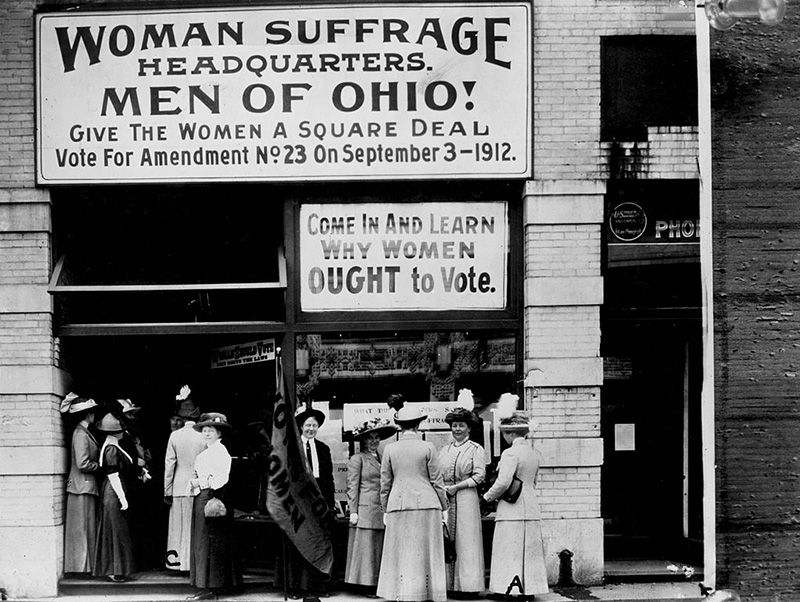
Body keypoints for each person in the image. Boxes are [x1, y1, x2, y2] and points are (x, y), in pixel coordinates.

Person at [377, 394, 448, 602]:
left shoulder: (390, 449)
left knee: (401, 550)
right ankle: (427, 593)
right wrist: (444, 507)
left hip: (399, 504)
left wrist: (385, 509)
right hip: (428, 503)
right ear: (418, 425)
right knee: (427, 550)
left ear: (399, 426)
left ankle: (402, 592)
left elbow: (385, 484)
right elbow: (437, 481)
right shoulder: (428, 447)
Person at [482, 409, 549, 599]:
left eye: (505, 433)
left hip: (512, 508)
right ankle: (528, 590)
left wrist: (486, 497)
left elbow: (503, 482)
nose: (504, 437)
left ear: (511, 433)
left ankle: (508, 590)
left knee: (509, 549)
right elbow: (533, 482)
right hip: (530, 506)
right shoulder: (534, 453)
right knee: (529, 551)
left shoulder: (510, 453)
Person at [276, 404, 334, 602]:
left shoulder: (324, 449)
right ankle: (295, 586)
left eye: (314, 425)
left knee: (318, 543)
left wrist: (330, 504)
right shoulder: (291, 450)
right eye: (308, 425)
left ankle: (316, 585)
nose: (311, 429)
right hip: (297, 503)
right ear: (301, 426)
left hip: (318, 503)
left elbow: (329, 479)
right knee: (298, 543)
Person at [187, 412, 241, 601]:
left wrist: (199, 482)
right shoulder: (205, 453)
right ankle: (205, 584)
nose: (207, 433)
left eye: (212, 430)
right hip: (202, 497)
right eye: (205, 430)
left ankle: (212, 587)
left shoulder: (220, 452)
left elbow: (219, 479)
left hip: (212, 498)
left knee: (209, 543)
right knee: (203, 541)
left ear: (220, 433)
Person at [344, 417, 397, 594]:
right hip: (365, 508)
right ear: (363, 440)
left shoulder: (383, 458)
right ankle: (365, 585)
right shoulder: (357, 459)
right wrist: (353, 511)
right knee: (366, 548)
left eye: (376, 438)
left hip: (381, 508)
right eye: (370, 438)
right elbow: (352, 486)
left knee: (377, 547)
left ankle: (376, 583)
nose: (374, 441)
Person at [438, 406, 486, 596]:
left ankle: (467, 587)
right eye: (454, 426)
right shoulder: (444, 450)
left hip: (466, 497)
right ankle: (449, 585)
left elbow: (480, 476)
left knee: (467, 541)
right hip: (447, 498)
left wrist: (457, 487)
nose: (457, 429)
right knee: (448, 539)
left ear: (469, 428)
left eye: (461, 426)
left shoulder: (476, 449)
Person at [164, 386, 205, 572]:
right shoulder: (203, 437)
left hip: (178, 487)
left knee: (177, 527)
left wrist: (167, 490)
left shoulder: (174, 436)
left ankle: (177, 563)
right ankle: (192, 563)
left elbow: (169, 466)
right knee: (193, 526)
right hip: (196, 486)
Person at [93, 412, 137, 582]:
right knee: (115, 530)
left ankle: (116, 569)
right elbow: (113, 475)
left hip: (113, 490)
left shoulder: (112, 444)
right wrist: (123, 498)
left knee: (115, 530)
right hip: (113, 491)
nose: (123, 432)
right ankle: (114, 570)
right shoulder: (111, 448)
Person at [61, 393, 100, 575]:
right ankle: (80, 567)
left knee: (85, 528)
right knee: (82, 528)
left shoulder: (83, 433)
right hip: (81, 485)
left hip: (84, 485)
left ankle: (85, 566)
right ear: (88, 414)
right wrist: (99, 466)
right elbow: (82, 463)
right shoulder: (80, 434)